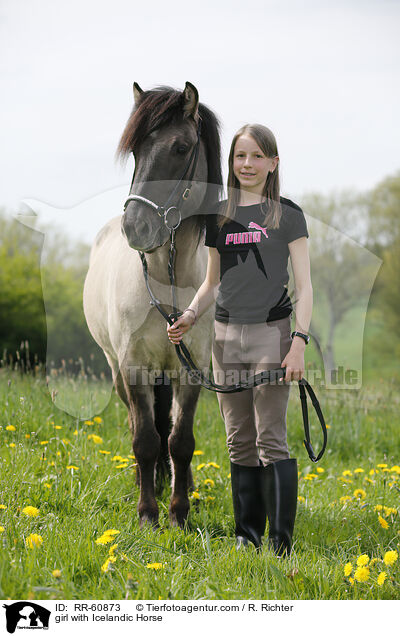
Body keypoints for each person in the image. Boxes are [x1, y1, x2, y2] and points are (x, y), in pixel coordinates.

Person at [167, 124, 312, 556]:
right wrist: (191, 314)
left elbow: (305, 287)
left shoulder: (288, 215)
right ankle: (247, 538)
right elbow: (212, 282)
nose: (246, 165)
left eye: (255, 156)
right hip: (225, 337)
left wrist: (299, 343)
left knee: (271, 438)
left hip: (273, 333)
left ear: (273, 163)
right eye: (239, 156)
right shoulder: (218, 216)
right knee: (238, 440)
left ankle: (280, 545)